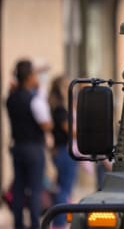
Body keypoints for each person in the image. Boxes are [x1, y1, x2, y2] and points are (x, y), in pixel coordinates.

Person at [6, 59, 52, 229]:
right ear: (29, 77)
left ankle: (18, 223)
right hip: (33, 147)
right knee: (35, 188)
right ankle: (34, 224)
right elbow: (46, 124)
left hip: (17, 146)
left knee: (18, 187)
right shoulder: (34, 99)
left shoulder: (10, 98)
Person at [48, 76, 76, 228]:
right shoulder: (60, 109)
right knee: (64, 188)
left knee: (62, 187)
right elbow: (69, 130)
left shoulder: (56, 108)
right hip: (64, 152)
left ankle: (59, 221)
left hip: (60, 151)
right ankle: (60, 222)